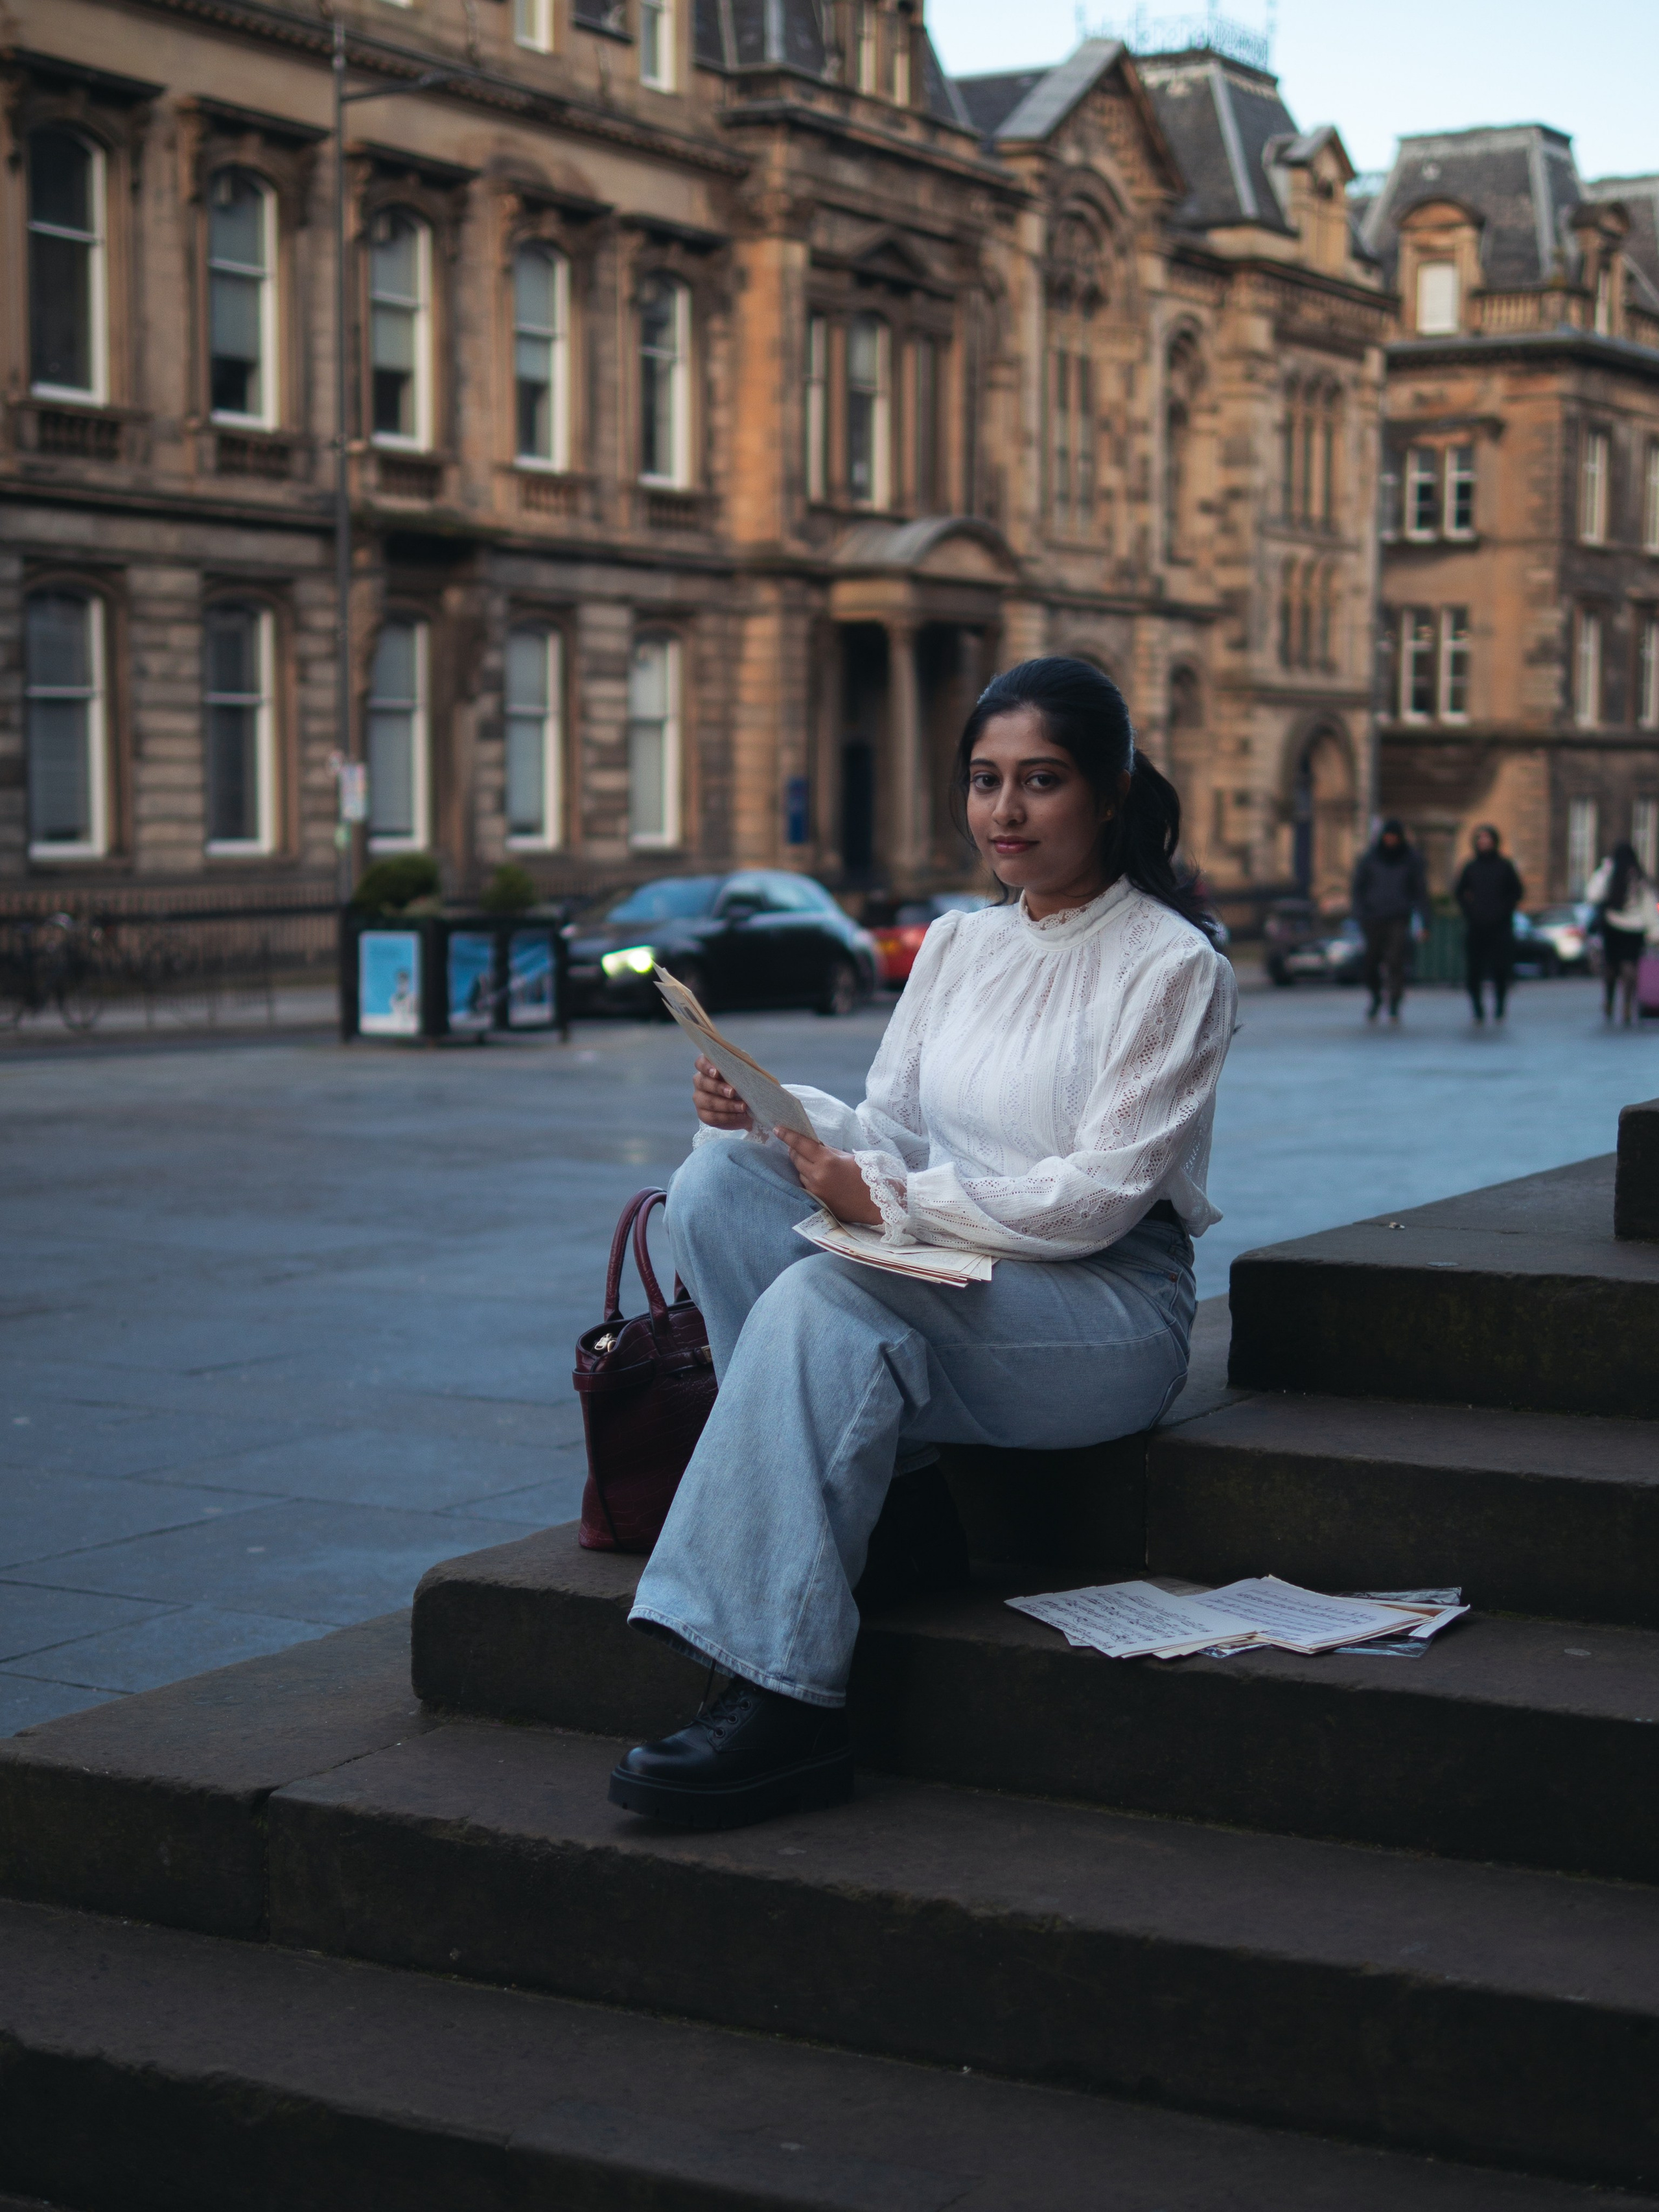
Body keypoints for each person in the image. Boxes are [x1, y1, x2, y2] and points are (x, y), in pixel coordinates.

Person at [609, 657, 1236, 1831]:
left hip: (1103, 1303)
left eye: (1040, 782)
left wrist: (888, 1201)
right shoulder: (954, 944)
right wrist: (769, 1106)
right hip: (956, 1266)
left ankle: (783, 1694)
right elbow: (888, 1127)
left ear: (1108, 791)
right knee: (714, 1182)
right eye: (986, 780)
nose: (1005, 811)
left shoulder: (1175, 964)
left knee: (825, 1305)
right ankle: (896, 1513)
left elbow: (1097, 1195)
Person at [1351, 819, 1428, 1023]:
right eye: (1388, 836)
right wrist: (1360, 913)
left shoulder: (1411, 860)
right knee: (1371, 962)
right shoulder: (1370, 859)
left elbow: (1420, 891)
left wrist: (1425, 921)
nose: (1391, 840)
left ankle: (1394, 1002)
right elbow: (1358, 888)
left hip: (1398, 917)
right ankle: (1376, 997)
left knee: (1396, 961)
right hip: (1373, 917)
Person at [1454, 825, 1524, 1022]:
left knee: (1500, 969)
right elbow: (1459, 893)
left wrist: (1504, 910)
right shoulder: (1471, 867)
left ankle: (1500, 1005)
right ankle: (1477, 1007)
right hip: (1477, 927)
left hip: (1500, 927)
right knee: (1474, 971)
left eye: (1487, 840)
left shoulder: (1505, 866)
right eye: (1480, 840)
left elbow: (1516, 892)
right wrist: (1470, 912)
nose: (1483, 844)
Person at [1586, 841, 1658, 1025]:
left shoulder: (1611, 875)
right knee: (1630, 967)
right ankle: (1627, 1003)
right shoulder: (1639, 879)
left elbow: (1592, 895)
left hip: (1613, 927)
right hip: (1635, 929)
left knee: (1611, 966)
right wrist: (1654, 932)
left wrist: (1605, 869)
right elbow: (1649, 908)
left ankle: (1609, 1001)